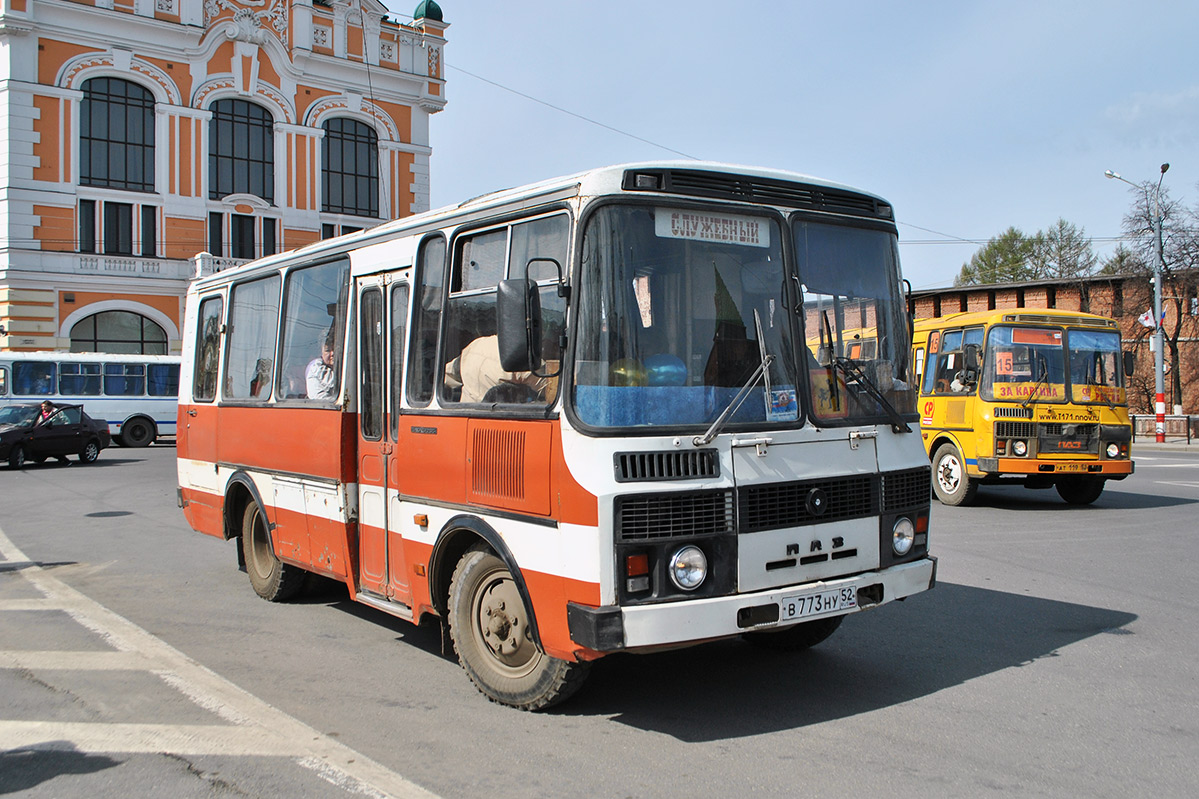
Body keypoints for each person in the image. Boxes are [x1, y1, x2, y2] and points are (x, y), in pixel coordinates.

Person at [444, 334, 544, 403]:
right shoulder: (521, 355)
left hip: (467, 418)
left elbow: (447, 375)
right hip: (505, 422)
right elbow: (550, 390)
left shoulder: (475, 345)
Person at [306, 331, 338, 400]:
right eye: (327, 350)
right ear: (320, 351)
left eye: (335, 349)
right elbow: (319, 399)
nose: (332, 353)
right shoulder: (315, 368)